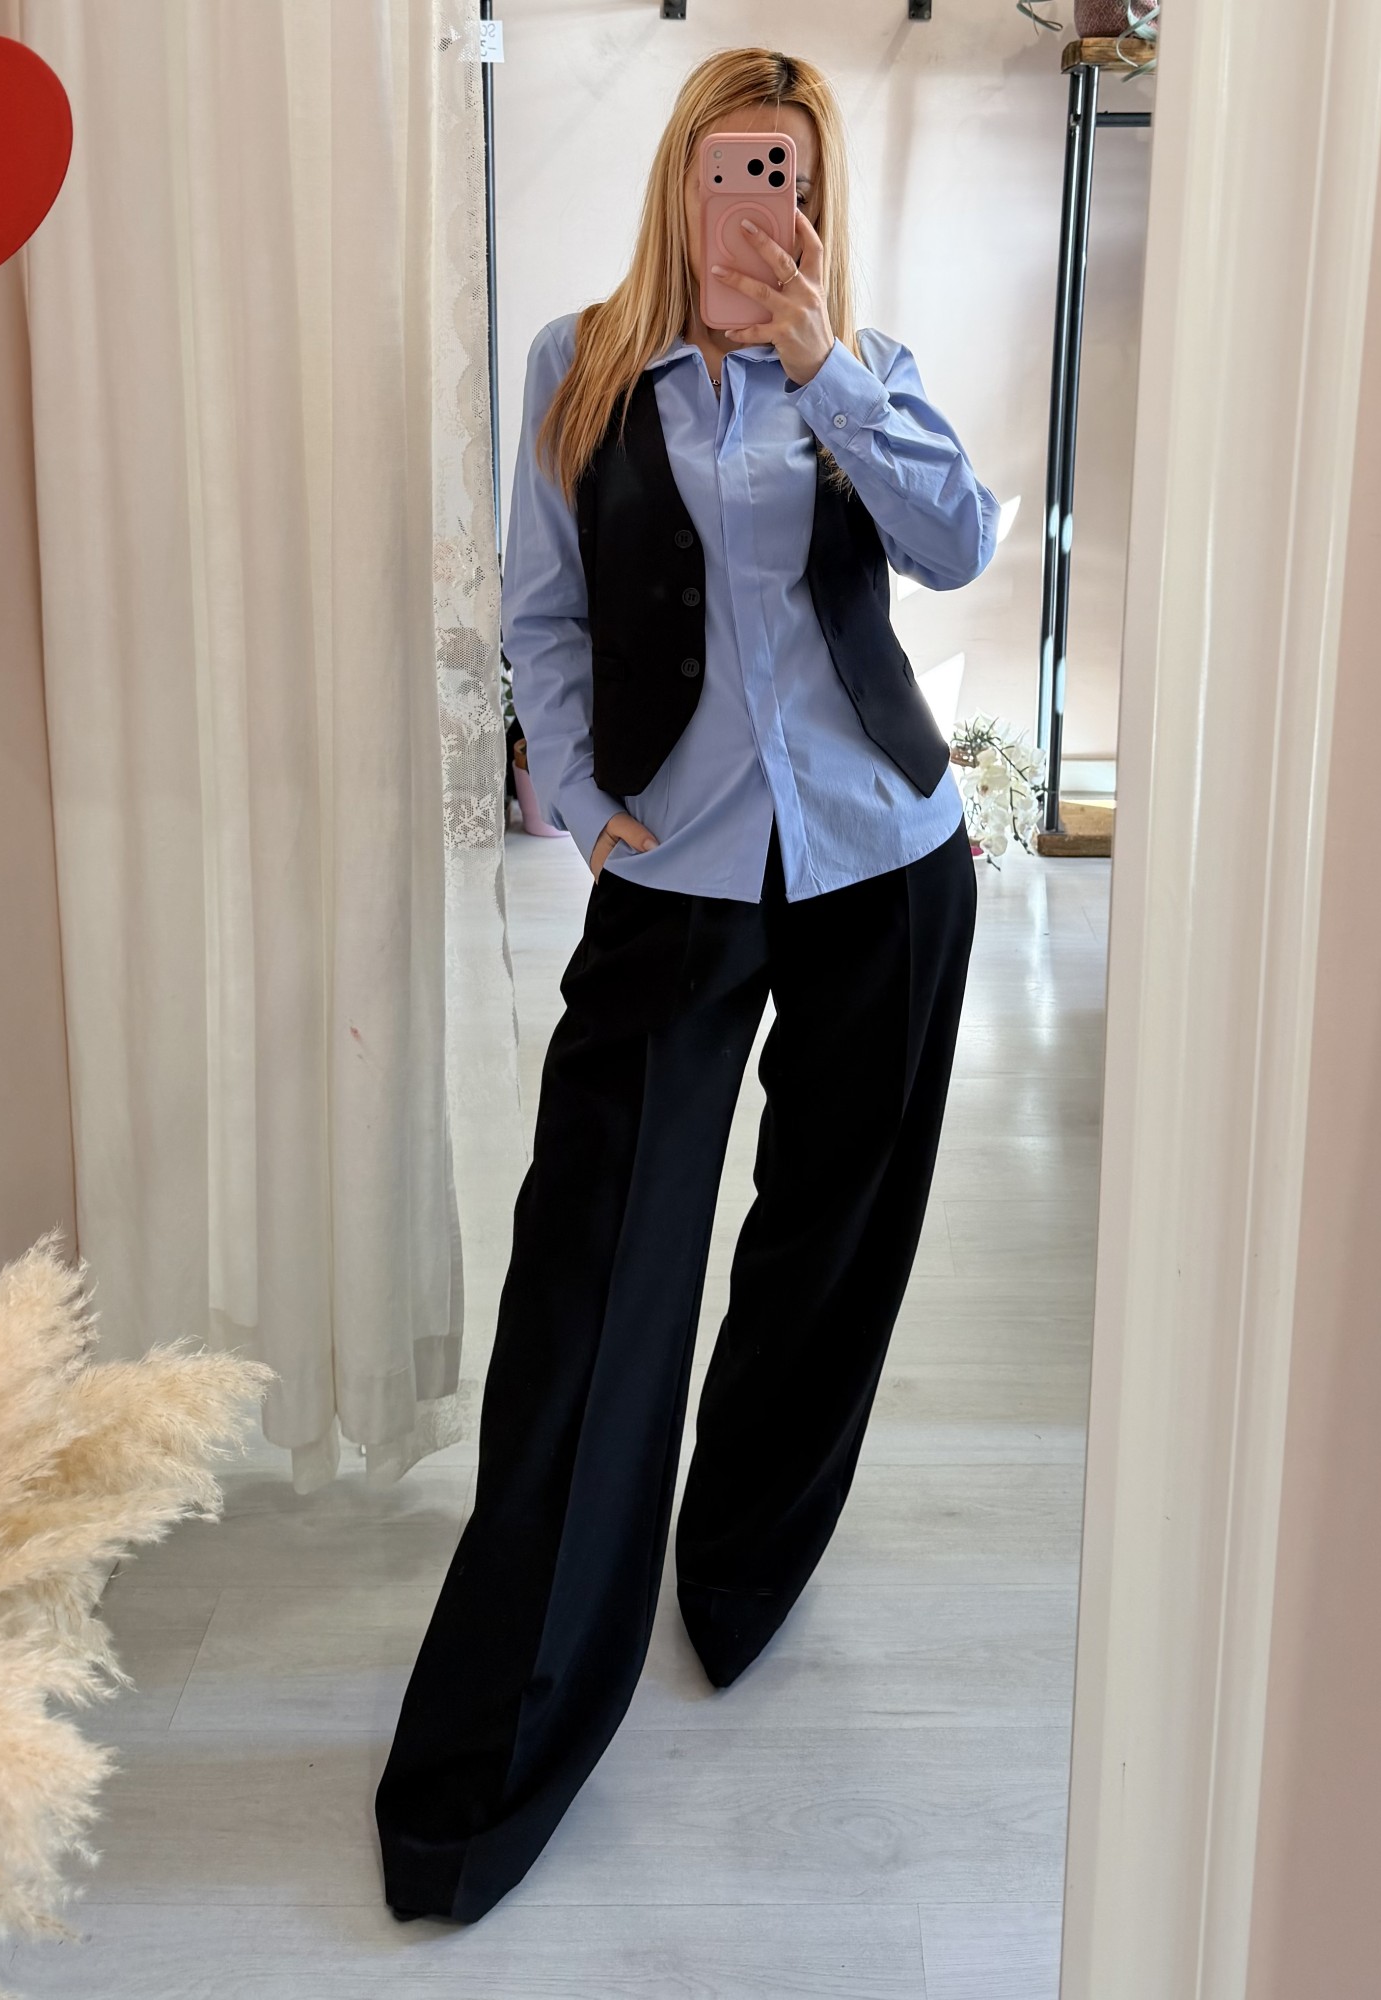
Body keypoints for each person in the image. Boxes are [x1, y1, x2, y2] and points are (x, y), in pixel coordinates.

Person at [376, 43, 999, 1925]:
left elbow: (960, 544)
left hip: (886, 861)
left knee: (830, 1244)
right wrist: (579, 801)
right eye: (736, 167)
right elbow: (543, 612)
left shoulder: (862, 369)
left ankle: (739, 1573)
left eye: (790, 173)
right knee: (596, 1281)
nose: (760, 205)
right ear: (681, 179)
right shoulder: (580, 366)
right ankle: (492, 1763)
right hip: (680, 873)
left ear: (822, 198)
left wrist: (824, 367)